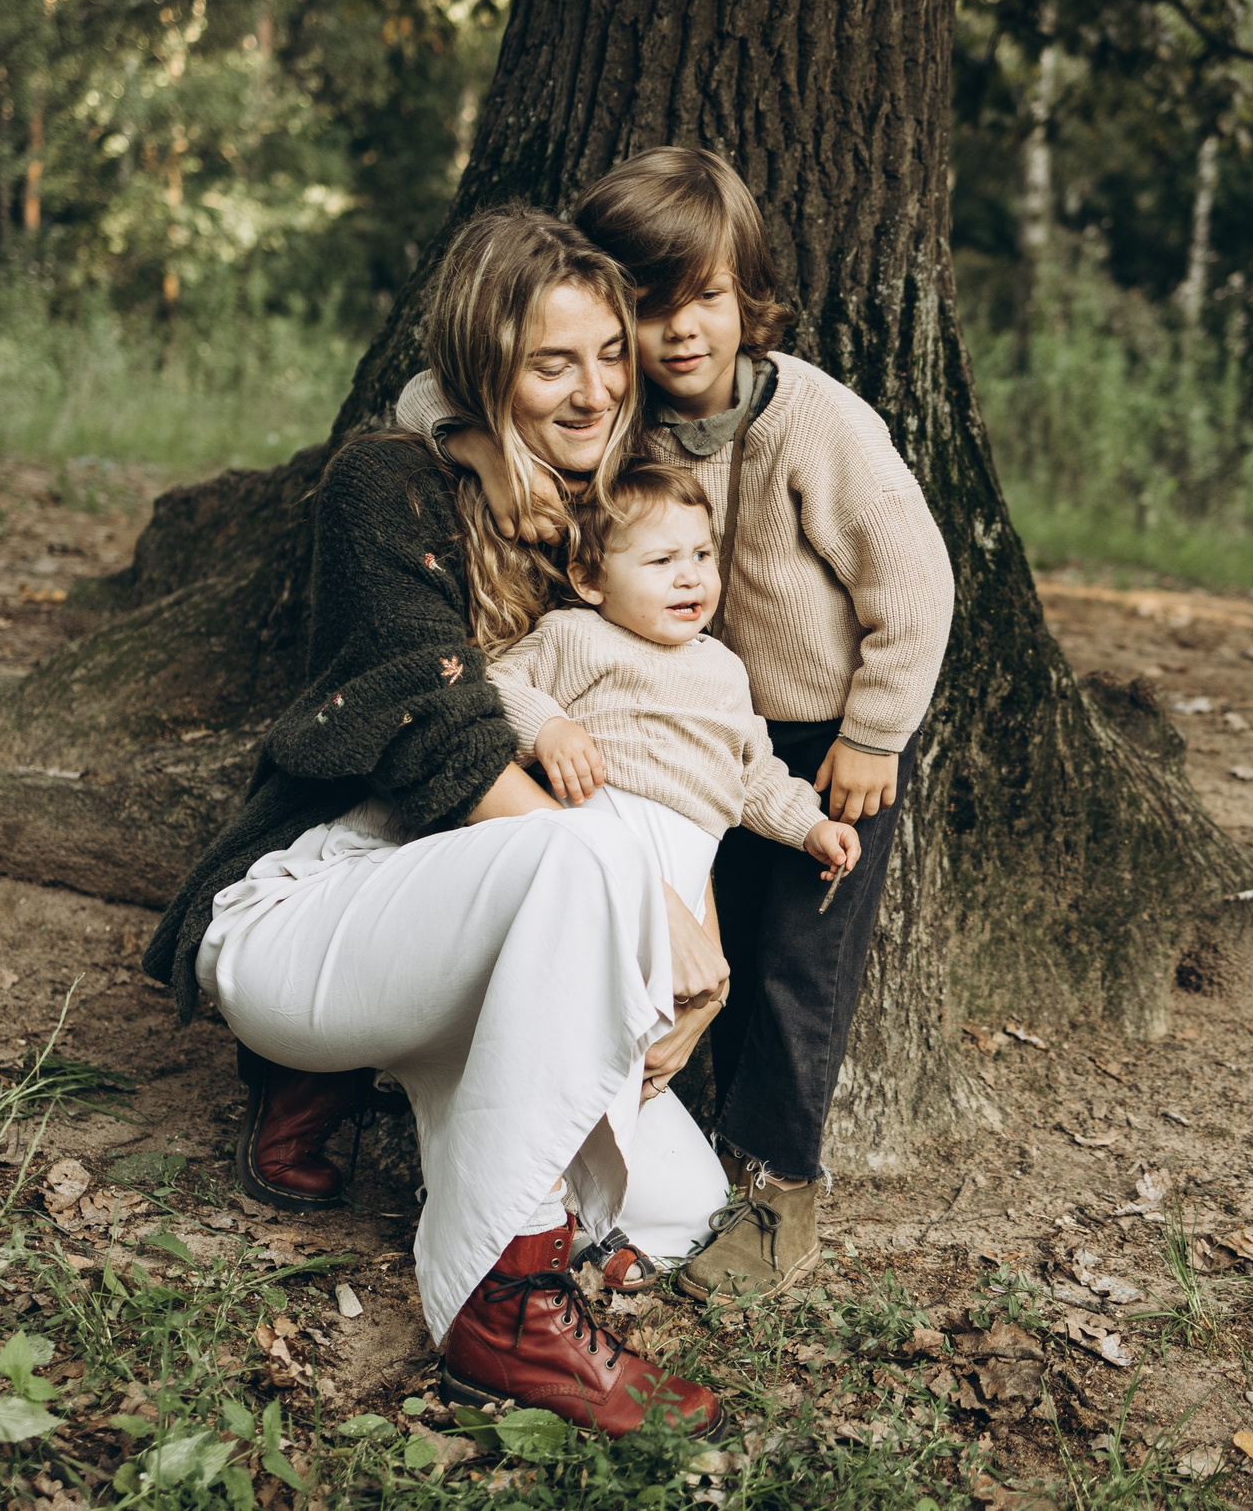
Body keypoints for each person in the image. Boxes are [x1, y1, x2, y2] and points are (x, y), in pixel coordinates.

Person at [140, 206, 732, 1438]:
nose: (592, 392)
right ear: (482, 368)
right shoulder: (388, 482)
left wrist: (692, 934)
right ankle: (498, 1304)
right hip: (318, 911)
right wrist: (646, 909)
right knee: (583, 849)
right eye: (550, 363)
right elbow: (432, 724)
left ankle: (435, 1144)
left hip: (482, 934)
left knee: (672, 1197)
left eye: (610, 354)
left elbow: (696, 745)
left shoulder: (610, 513)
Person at [395, 147, 955, 1300]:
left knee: (798, 961)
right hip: (676, 739)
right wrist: (477, 460)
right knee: (695, 953)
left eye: (703, 298)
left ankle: (784, 1192)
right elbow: (432, 398)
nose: (679, 331)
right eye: (645, 308)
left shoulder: (813, 421)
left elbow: (914, 582)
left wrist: (876, 735)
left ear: (745, 296)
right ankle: (618, 1139)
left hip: (815, 744)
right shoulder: (621, 404)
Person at [486, 462, 863, 1284]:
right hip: (598, 840)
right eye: (661, 561)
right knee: (575, 1035)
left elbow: (753, 774)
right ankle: (530, 1208)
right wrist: (548, 729)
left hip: (686, 871)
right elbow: (494, 686)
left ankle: (598, 1222)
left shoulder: (724, 670)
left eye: (702, 555)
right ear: (589, 578)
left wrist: (811, 826)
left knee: (647, 1088)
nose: (691, 575)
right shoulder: (574, 637)